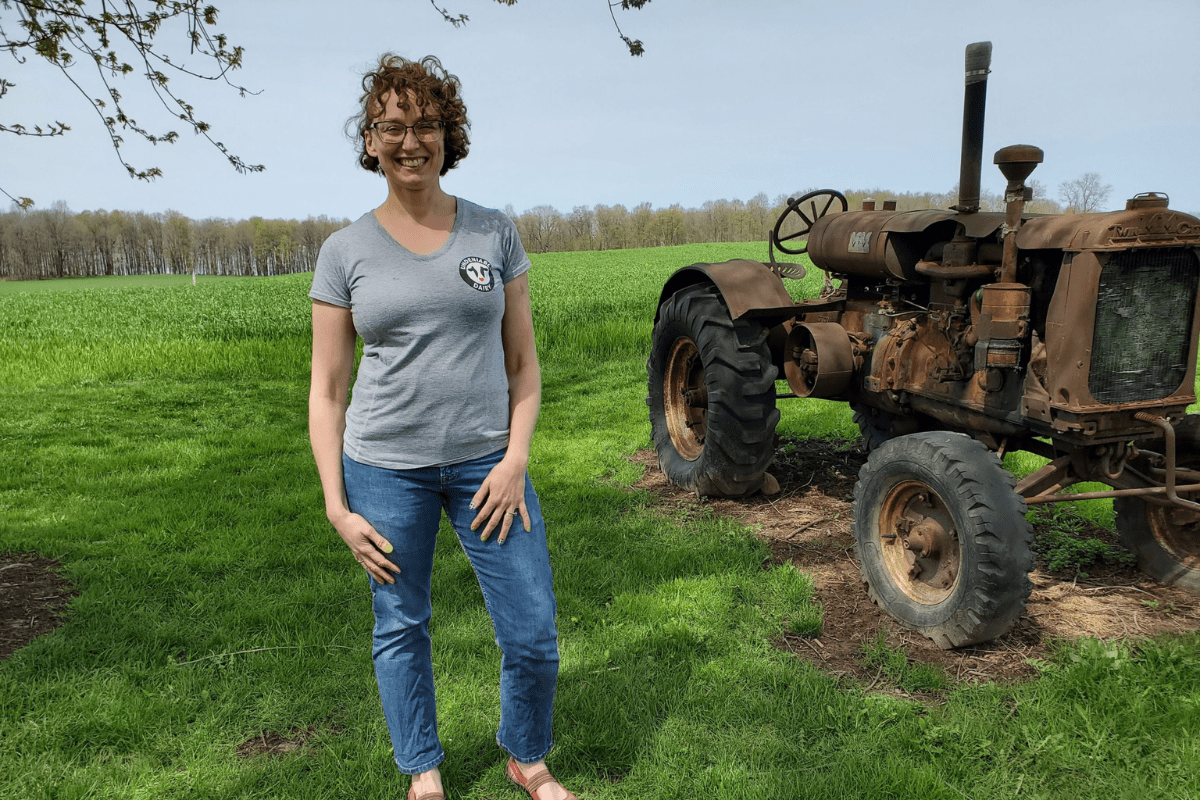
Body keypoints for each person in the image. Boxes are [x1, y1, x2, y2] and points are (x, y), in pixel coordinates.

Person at [308, 54, 577, 800]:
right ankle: (422, 771)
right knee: (401, 625)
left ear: (448, 135)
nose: (409, 140)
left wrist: (516, 457)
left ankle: (526, 755)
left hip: (489, 467)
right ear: (370, 142)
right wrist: (337, 504)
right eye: (391, 126)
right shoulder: (344, 252)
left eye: (425, 123)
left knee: (532, 633)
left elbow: (523, 365)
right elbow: (327, 391)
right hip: (383, 470)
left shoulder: (494, 233)